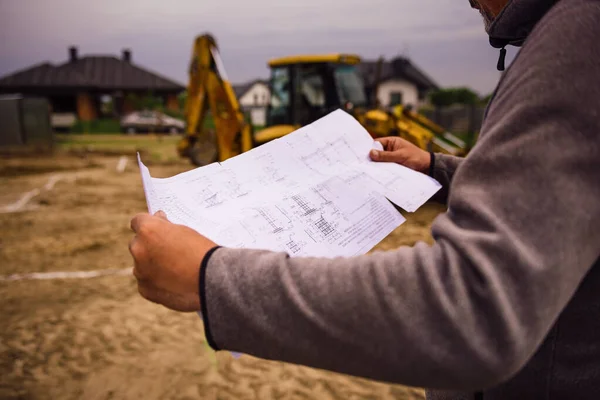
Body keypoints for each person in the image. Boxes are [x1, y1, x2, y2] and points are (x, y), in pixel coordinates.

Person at [128, 0, 600, 398]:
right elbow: (566, 191)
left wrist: (210, 277)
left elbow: (475, 307)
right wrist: (437, 169)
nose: (470, 2)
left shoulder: (579, 32)